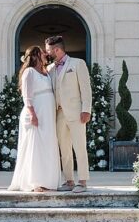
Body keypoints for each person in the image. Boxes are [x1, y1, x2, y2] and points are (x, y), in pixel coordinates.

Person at [8, 45, 61, 192]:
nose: (45, 54)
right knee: (35, 146)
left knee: (47, 145)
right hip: (36, 112)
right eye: (42, 52)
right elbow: (27, 96)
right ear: (36, 55)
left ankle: (47, 181)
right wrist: (32, 114)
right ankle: (34, 182)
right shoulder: (29, 72)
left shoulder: (46, 72)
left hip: (48, 115)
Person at [45, 35, 92, 192]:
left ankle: (83, 182)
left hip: (77, 113)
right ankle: (69, 180)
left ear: (56, 49)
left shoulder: (78, 64)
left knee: (79, 147)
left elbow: (86, 89)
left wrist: (86, 110)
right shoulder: (50, 69)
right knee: (64, 149)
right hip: (58, 113)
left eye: (48, 51)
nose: (47, 54)